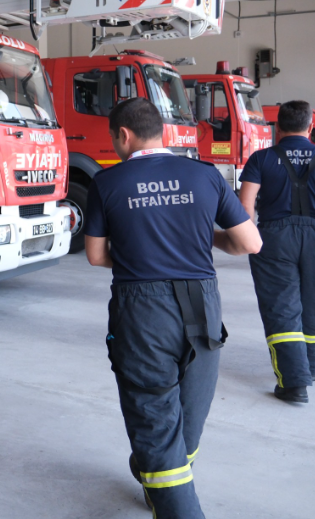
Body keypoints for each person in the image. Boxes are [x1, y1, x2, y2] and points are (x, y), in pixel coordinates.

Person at [84, 98, 262, 518]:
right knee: (191, 407)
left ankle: (166, 484)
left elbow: (95, 255)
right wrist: (205, 240)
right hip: (202, 303)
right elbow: (249, 243)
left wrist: (138, 253)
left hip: (141, 310)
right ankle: (159, 475)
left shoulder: (107, 183)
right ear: (160, 131)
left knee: (153, 416)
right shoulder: (204, 175)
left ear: (122, 135)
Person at [238, 99, 315, 404]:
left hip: (273, 237)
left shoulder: (260, 159)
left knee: (282, 308)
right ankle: (309, 368)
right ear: (310, 126)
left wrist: (247, 240)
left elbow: (245, 208)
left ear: (277, 127)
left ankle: (294, 383)